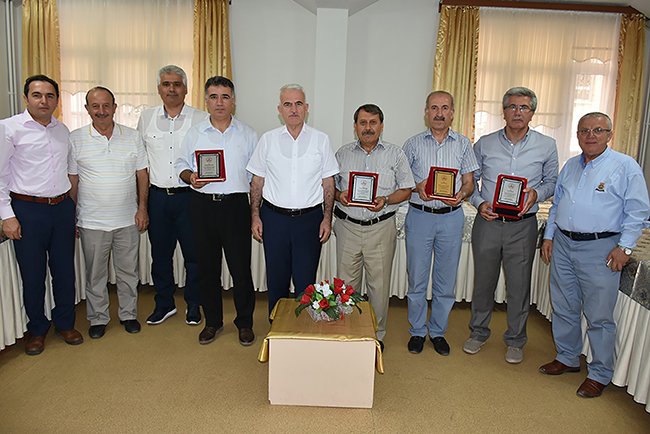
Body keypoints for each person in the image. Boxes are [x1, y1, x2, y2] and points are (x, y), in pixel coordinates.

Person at [539, 112, 649, 398]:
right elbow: (557, 204)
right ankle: (567, 357)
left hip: (601, 247)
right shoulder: (570, 166)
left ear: (609, 134)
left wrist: (625, 247)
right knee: (564, 305)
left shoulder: (625, 166)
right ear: (577, 135)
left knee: (599, 315)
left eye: (598, 130)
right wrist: (549, 236)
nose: (591, 135)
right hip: (563, 244)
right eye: (585, 130)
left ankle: (600, 373)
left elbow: (638, 212)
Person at [465, 86, 558, 363]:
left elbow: (553, 182)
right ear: (504, 111)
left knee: (519, 286)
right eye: (512, 107)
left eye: (524, 107)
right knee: (483, 282)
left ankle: (516, 340)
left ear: (532, 113)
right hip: (488, 223)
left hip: (523, 225)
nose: (518, 112)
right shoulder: (484, 143)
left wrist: (537, 194)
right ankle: (478, 332)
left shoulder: (547, 145)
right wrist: (479, 202)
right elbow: (470, 181)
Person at [0, 75, 83, 355]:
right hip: (28, 210)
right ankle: (36, 329)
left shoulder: (62, 130)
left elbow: (68, 171)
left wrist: (72, 210)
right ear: (26, 98)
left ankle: (65, 323)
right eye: (37, 95)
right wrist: (7, 215)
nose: (43, 101)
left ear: (57, 100)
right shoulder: (9, 129)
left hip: (61, 208)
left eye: (50, 96)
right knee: (33, 274)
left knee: (64, 271)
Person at [175, 76, 257, 346]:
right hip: (202, 206)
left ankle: (244, 322)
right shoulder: (195, 133)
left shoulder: (248, 134)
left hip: (236, 206)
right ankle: (212, 322)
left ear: (233, 101)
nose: (219, 102)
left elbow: (257, 175)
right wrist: (190, 177)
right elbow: (180, 165)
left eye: (225, 96)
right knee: (207, 268)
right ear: (206, 101)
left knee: (240, 269)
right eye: (213, 97)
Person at [248, 84, 339, 315]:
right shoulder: (267, 140)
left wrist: (327, 219)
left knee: (306, 283)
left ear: (306, 108)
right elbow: (257, 182)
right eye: (287, 104)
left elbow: (329, 183)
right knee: (276, 279)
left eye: (298, 103)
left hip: (309, 220)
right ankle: (276, 325)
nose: (293, 109)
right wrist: (255, 217)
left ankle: (303, 328)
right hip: (274, 219)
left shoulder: (321, 140)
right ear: (280, 110)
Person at [68, 86, 149, 339]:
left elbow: (142, 175)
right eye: (95, 106)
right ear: (87, 109)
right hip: (92, 221)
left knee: (128, 273)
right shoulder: (75, 138)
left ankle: (128, 314)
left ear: (115, 108)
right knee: (95, 275)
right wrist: (72, 215)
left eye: (106, 105)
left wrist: (142, 208)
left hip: (127, 219)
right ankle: (98, 318)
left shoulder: (133, 136)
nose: (101, 111)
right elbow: (73, 180)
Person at [334, 104, 414, 350]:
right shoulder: (342, 154)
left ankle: (376, 335)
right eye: (363, 122)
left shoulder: (395, 154)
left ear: (381, 125)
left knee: (379, 287)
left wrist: (386, 200)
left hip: (380, 227)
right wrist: (339, 195)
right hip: (348, 226)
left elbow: (406, 190)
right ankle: (347, 331)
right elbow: (330, 187)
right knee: (346, 286)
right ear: (355, 126)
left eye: (373, 122)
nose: (367, 128)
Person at [403, 91, 478, 355]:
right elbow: (403, 180)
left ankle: (437, 332)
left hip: (451, 218)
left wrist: (462, 194)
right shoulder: (412, 144)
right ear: (426, 112)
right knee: (417, 278)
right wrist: (417, 186)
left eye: (445, 108)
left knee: (445, 281)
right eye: (434, 108)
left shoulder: (464, 144)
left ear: (452, 113)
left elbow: (469, 182)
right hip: (420, 216)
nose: (439, 113)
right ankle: (417, 331)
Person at [137, 65, 208, 326]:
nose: (172, 89)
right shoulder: (146, 117)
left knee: (194, 256)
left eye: (177, 84)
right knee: (160, 256)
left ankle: (194, 304)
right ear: (159, 89)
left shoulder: (201, 118)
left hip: (190, 197)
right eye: (166, 84)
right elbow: (141, 162)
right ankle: (164, 303)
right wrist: (141, 204)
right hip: (157, 198)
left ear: (186, 89)